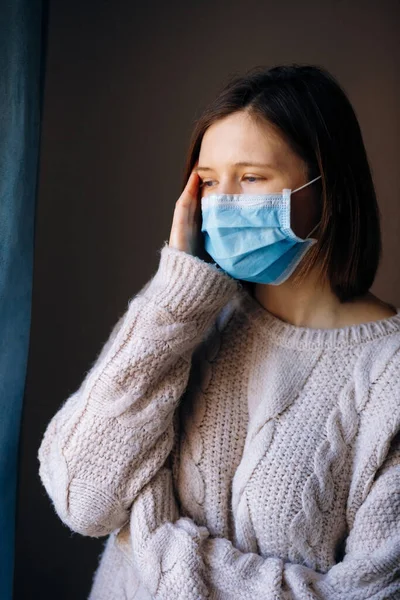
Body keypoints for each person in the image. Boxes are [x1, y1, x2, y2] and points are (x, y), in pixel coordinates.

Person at [38, 64, 400, 599]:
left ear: (328, 185)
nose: (222, 203)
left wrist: (156, 542)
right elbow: (85, 499)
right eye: (208, 181)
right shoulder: (191, 321)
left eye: (251, 178)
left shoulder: (388, 378)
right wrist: (176, 295)